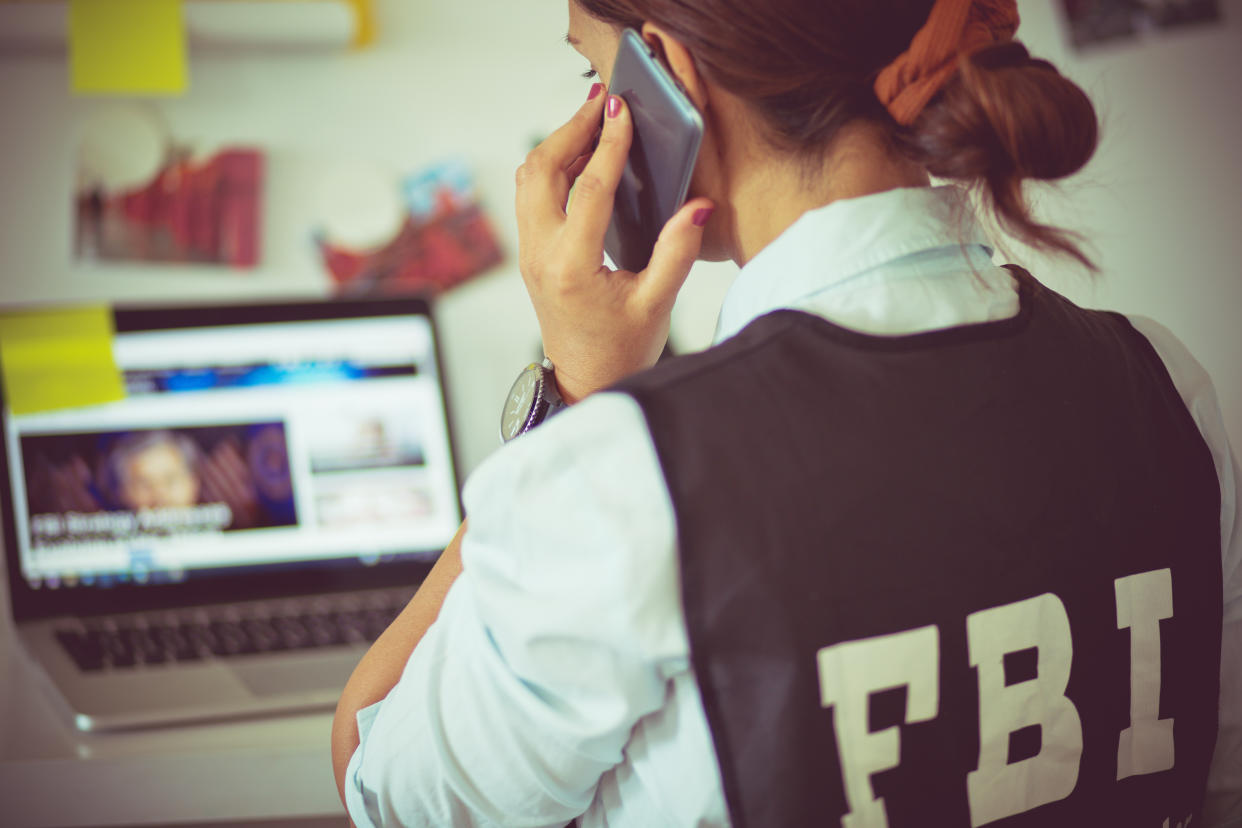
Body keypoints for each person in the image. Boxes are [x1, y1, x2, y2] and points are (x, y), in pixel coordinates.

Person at [331, 0, 1242, 825]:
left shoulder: (628, 479)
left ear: (668, 76)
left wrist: (576, 391)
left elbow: (382, 783)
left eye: (594, 74)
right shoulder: (1163, 382)